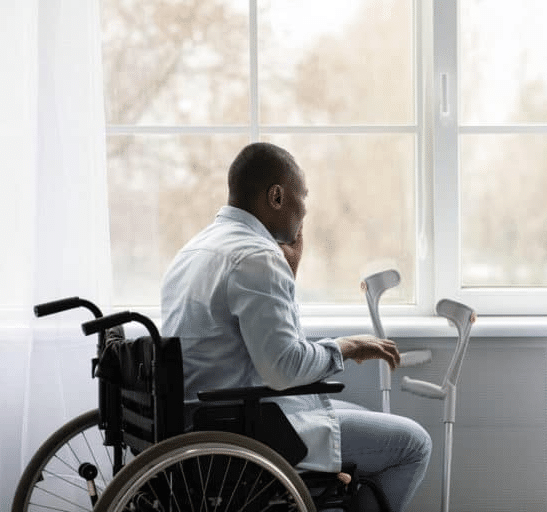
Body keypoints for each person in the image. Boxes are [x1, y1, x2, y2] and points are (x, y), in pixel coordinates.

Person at [160, 142, 431, 511]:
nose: (305, 211)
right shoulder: (255, 256)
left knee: (364, 416)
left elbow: (254, 343)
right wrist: (346, 347)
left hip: (204, 418)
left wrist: (288, 272)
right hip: (243, 431)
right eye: (302, 198)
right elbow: (283, 367)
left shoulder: (196, 249)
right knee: (413, 443)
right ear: (276, 196)